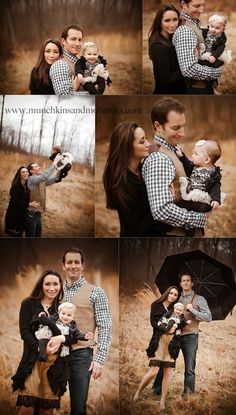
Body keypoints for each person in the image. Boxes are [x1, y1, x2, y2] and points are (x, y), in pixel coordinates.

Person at [46, 247, 112, 415]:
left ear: (83, 265)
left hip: (81, 356)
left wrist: (99, 359)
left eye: (77, 262)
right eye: (69, 262)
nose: (73, 265)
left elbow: (105, 327)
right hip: (55, 354)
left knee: (78, 407)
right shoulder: (55, 291)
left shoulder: (96, 292)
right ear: (63, 265)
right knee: (48, 403)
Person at [142, 97, 209, 236]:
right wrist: (200, 219)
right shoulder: (158, 157)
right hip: (174, 235)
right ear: (158, 126)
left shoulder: (173, 149)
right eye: (176, 128)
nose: (182, 133)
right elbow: (161, 210)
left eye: (183, 126)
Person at [11, 270, 67, 414]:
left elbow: (69, 332)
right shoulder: (28, 303)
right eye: (47, 284)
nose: (51, 288)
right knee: (26, 409)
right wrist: (39, 349)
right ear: (41, 285)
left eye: (55, 284)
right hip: (32, 361)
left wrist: (60, 342)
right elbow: (24, 332)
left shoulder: (62, 309)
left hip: (53, 365)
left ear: (60, 286)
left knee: (46, 411)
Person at [103, 121, 169, 236]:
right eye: (142, 141)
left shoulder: (143, 168)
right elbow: (138, 230)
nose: (148, 144)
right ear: (127, 148)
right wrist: (166, 199)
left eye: (146, 138)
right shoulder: (123, 184)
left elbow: (153, 147)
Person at [153, 274, 212, 396]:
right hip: (174, 336)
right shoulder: (176, 298)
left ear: (192, 283)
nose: (185, 283)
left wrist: (193, 310)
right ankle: (157, 390)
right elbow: (166, 313)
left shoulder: (199, 299)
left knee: (189, 367)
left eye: (188, 281)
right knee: (165, 362)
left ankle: (188, 394)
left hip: (190, 337)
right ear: (180, 283)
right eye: (183, 281)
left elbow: (208, 317)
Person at [133, 286, 180, 413]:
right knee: (154, 371)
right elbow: (153, 323)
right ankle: (138, 392)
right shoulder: (156, 305)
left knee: (167, 372)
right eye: (171, 293)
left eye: (175, 295)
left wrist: (176, 328)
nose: (173, 296)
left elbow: (180, 322)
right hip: (158, 341)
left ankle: (162, 400)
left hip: (171, 344)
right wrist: (166, 329)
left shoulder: (175, 309)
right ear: (167, 293)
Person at [172, 0, 222, 94]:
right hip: (197, 89)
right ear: (183, 4)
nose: (201, 10)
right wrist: (216, 72)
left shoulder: (193, 23)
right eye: (197, 6)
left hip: (202, 87)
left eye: (202, 5)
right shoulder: (185, 30)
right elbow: (189, 69)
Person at [148, 3, 186, 94]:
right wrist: (188, 66)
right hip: (167, 92)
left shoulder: (173, 37)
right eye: (167, 20)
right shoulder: (159, 46)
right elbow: (168, 80)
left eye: (175, 19)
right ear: (159, 23)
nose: (172, 25)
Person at [176, 139, 222, 211]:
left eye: (196, 154)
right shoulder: (195, 167)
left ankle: (202, 209)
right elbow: (187, 164)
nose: (192, 155)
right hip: (190, 195)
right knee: (183, 205)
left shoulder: (212, 175)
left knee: (202, 206)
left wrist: (216, 200)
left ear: (206, 160)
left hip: (201, 199)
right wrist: (181, 156)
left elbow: (216, 188)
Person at [25, 153, 63, 237]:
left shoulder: (41, 180)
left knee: (38, 238)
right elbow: (45, 176)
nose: (39, 167)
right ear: (31, 171)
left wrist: (62, 170)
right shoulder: (31, 179)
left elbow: (55, 179)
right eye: (37, 166)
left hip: (38, 215)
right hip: (31, 215)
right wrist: (55, 162)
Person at [49, 24, 88, 95]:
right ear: (63, 41)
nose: (77, 44)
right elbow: (63, 98)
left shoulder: (78, 62)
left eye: (80, 40)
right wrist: (94, 94)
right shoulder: (60, 65)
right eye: (73, 39)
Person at [4, 166, 39, 237]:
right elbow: (15, 202)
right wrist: (30, 204)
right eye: (23, 172)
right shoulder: (15, 186)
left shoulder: (27, 186)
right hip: (14, 217)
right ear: (20, 175)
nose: (26, 173)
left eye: (27, 172)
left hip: (21, 217)